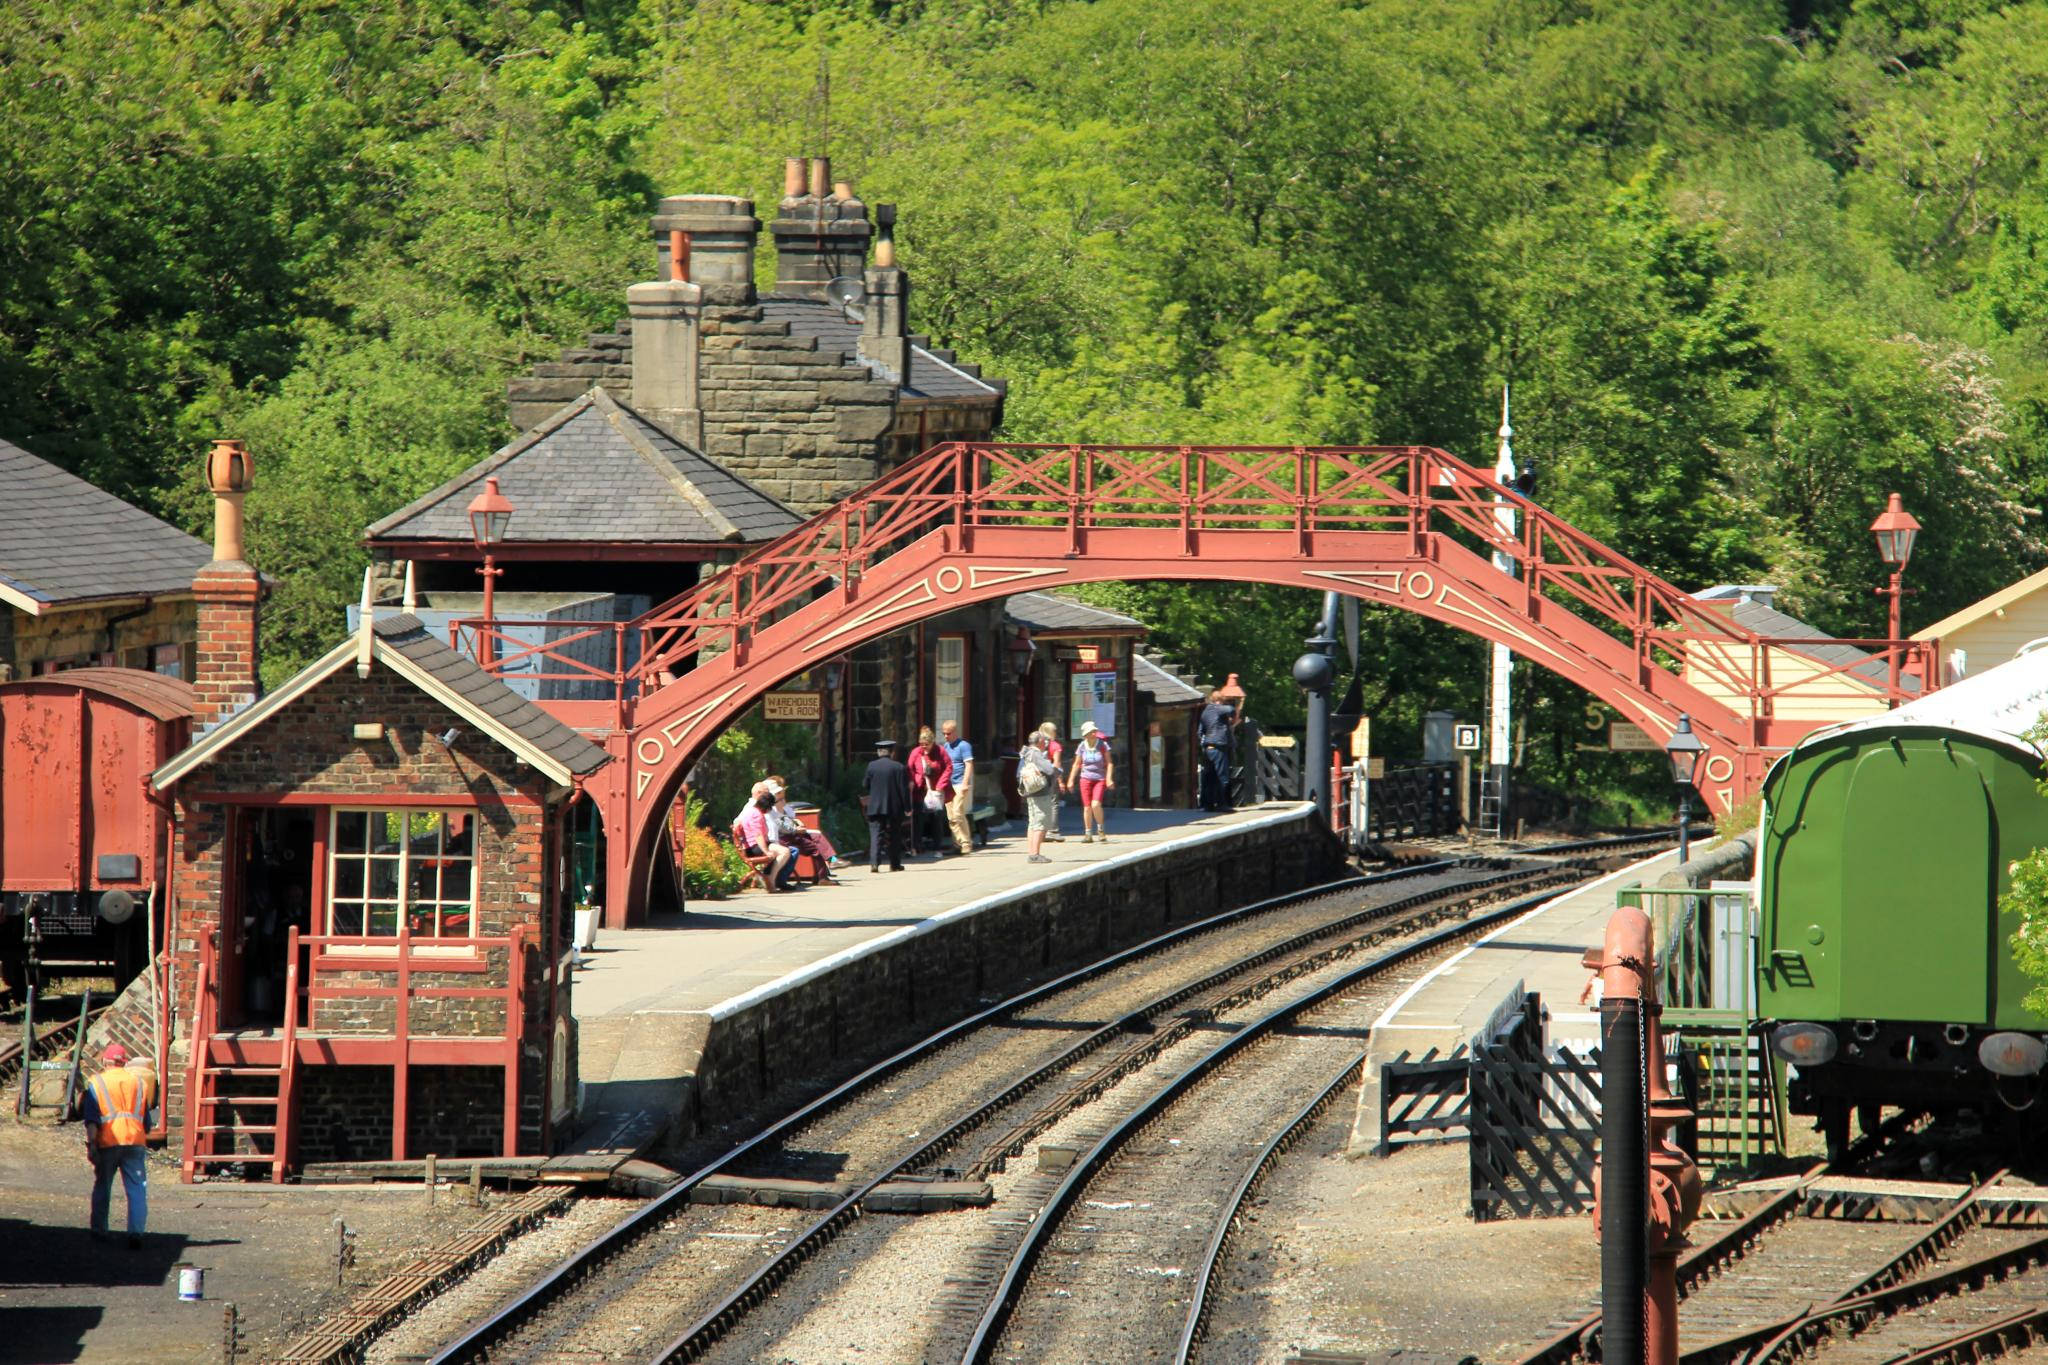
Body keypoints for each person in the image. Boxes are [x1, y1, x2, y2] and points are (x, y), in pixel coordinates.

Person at [82, 1042, 158, 1249]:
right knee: (137, 1188)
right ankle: (136, 1232)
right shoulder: (139, 1083)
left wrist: (91, 1145)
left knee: (103, 1186)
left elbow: (92, 1121)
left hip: (109, 1141)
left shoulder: (96, 1083)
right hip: (135, 1140)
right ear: (124, 1062)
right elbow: (146, 1121)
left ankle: (99, 1230)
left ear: (105, 1061)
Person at [765, 776, 840, 883]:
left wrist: (797, 824)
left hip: (790, 834)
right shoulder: (771, 807)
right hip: (783, 838)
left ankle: (826, 869)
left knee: (816, 840)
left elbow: (788, 819)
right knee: (815, 842)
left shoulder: (778, 804)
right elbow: (780, 825)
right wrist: (795, 829)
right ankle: (828, 867)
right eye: (779, 793)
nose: (782, 794)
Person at [862, 738, 913, 872]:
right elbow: (904, 790)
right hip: (894, 808)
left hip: (875, 807)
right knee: (895, 835)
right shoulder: (899, 767)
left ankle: (874, 863)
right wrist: (908, 808)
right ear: (891, 752)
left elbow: (865, 785)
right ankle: (894, 864)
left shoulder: (871, 766)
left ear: (879, 752)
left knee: (876, 834)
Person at [737, 789, 798, 891]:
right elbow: (758, 835)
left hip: (752, 845)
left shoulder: (752, 811)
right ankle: (771, 879)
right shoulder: (756, 815)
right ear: (766, 806)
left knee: (784, 850)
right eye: (770, 807)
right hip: (754, 847)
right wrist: (766, 851)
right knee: (785, 852)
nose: (770, 810)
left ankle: (769, 876)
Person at [1065, 720, 1116, 842]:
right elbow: (1077, 764)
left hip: (1099, 779)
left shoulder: (1102, 745)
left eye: (1094, 731)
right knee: (1087, 807)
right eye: (1091, 731)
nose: (1094, 733)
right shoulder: (1082, 746)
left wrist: (1109, 779)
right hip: (1085, 778)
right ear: (1086, 735)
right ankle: (1088, 834)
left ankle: (1101, 830)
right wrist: (1071, 780)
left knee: (1096, 804)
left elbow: (1109, 763)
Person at [906, 727, 954, 855]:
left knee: (936, 818)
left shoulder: (940, 751)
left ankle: (937, 847)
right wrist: (911, 780)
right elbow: (909, 768)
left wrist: (941, 784)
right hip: (919, 791)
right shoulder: (916, 752)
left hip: (935, 791)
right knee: (918, 819)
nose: (924, 747)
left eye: (926, 745)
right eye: (921, 744)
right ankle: (916, 846)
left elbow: (948, 767)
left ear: (933, 743)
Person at [1018, 730, 1061, 864]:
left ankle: (1032, 853)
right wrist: (1057, 770)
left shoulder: (1025, 753)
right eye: (1044, 741)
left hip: (1030, 792)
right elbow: (1049, 770)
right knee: (1041, 824)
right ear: (1040, 742)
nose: (1046, 743)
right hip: (1040, 793)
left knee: (1032, 824)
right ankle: (1035, 854)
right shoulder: (1036, 754)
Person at [1198, 686, 1243, 813]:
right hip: (1218, 747)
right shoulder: (1218, 708)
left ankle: (1207, 805)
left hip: (1208, 747)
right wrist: (1235, 703)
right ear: (1219, 700)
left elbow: (1200, 732)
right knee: (1222, 776)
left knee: (1209, 777)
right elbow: (1231, 710)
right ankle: (1223, 804)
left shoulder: (1205, 711)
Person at [940, 719, 976, 855]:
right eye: (944, 733)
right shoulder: (946, 747)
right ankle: (958, 843)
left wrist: (966, 783)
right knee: (951, 816)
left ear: (955, 732)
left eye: (948, 733)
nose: (945, 736)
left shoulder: (964, 745)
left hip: (960, 783)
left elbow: (969, 764)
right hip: (948, 785)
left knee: (957, 813)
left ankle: (965, 842)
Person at [1035, 722, 1067, 841]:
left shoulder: (1037, 744)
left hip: (1037, 776)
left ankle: (1040, 831)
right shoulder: (1055, 746)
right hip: (1050, 777)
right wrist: (1060, 781)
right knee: (1053, 803)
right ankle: (1052, 831)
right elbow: (1056, 764)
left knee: (1040, 803)